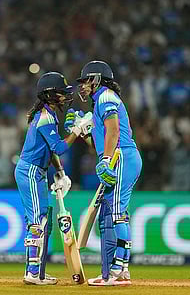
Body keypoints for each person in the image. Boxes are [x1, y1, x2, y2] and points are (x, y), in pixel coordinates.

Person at [14, 72, 92, 285]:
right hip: (30, 170)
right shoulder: (46, 118)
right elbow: (59, 147)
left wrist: (60, 172)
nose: (65, 96)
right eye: (61, 93)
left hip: (38, 171)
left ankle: (38, 272)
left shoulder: (50, 114)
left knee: (43, 221)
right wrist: (77, 131)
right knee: (37, 222)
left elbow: (51, 150)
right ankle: (31, 272)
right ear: (49, 95)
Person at [74, 61, 143, 286]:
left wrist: (106, 160)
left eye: (85, 81)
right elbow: (100, 143)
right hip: (118, 155)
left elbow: (113, 131)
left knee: (117, 213)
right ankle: (121, 270)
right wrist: (80, 132)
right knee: (117, 212)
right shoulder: (100, 102)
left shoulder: (106, 97)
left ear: (96, 79)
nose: (82, 86)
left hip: (121, 155)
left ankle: (117, 269)